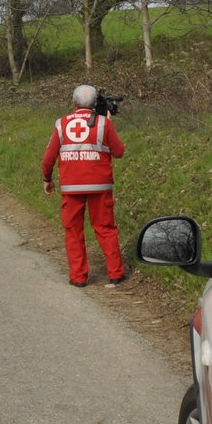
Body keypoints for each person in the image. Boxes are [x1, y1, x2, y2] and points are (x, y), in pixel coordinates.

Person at [40, 84, 127, 287]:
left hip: (72, 188)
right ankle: (115, 273)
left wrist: (47, 179)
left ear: (73, 102)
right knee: (105, 228)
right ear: (96, 103)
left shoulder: (61, 124)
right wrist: (108, 124)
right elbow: (119, 151)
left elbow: (48, 158)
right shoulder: (104, 123)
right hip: (100, 186)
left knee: (73, 230)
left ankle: (78, 277)